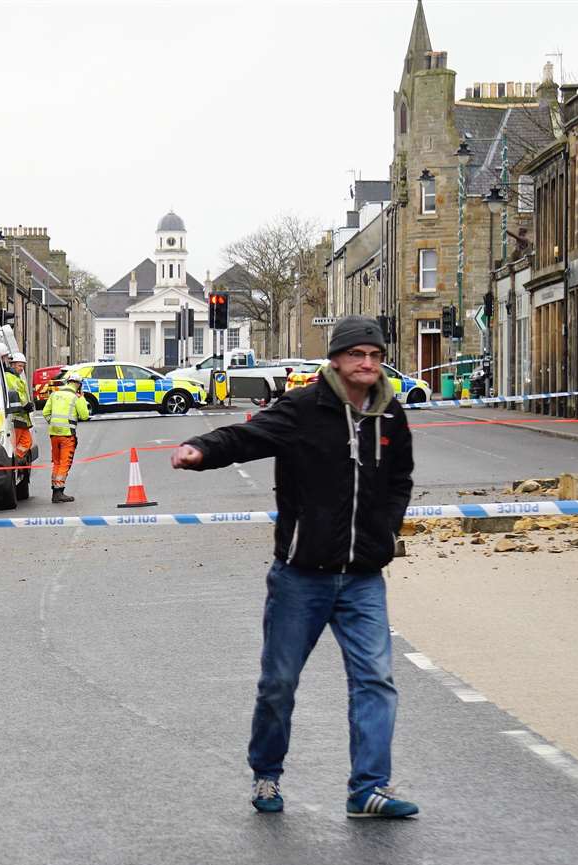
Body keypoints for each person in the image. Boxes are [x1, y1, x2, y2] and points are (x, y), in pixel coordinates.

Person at [170, 315, 419, 819]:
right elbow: (249, 437)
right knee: (279, 681)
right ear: (336, 360)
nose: (368, 363)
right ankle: (266, 776)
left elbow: (400, 480)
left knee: (375, 679)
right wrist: (202, 450)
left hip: (363, 577)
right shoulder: (304, 409)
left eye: (375, 355)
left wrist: (387, 533)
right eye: (357, 355)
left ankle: (369, 789)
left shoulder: (391, 417)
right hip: (301, 576)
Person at [42, 373, 88, 503]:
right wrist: (82, 398)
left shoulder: (54, 394)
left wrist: (53, 423)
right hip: (67, 435)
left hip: (54, 434)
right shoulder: (76, 397)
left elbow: (45, 413)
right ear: (78, 385)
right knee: (64, 463)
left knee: (56, 462)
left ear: (68, 382)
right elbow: (84, 415)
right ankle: (58, 491)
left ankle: (55, 490)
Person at [3, 355, 34, 472]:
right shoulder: (9, 377)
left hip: (21, 417)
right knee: (18, 442)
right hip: (15, 417)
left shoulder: (16, 377)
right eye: (20, 365)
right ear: (12, 364)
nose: (22, 369)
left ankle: (17, 459)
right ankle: (14, 463)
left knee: (27, 441)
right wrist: (26, 404)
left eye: (23, 366)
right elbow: (17, 393)